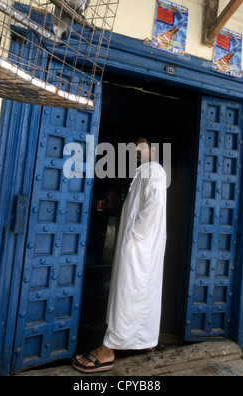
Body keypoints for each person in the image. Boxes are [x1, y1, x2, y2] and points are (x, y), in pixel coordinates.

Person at [72, 138, 167, 373]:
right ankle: (144, 341)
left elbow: (154, 206)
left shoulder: (154, 169)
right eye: (134, 146)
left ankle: (107, 350)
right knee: (137, 292)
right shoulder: (144, 170)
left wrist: (135, 236)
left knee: (129, 292)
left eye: (141, 146)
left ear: (153, 149)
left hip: (139, 247)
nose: (136, 149)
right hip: (139, 247)